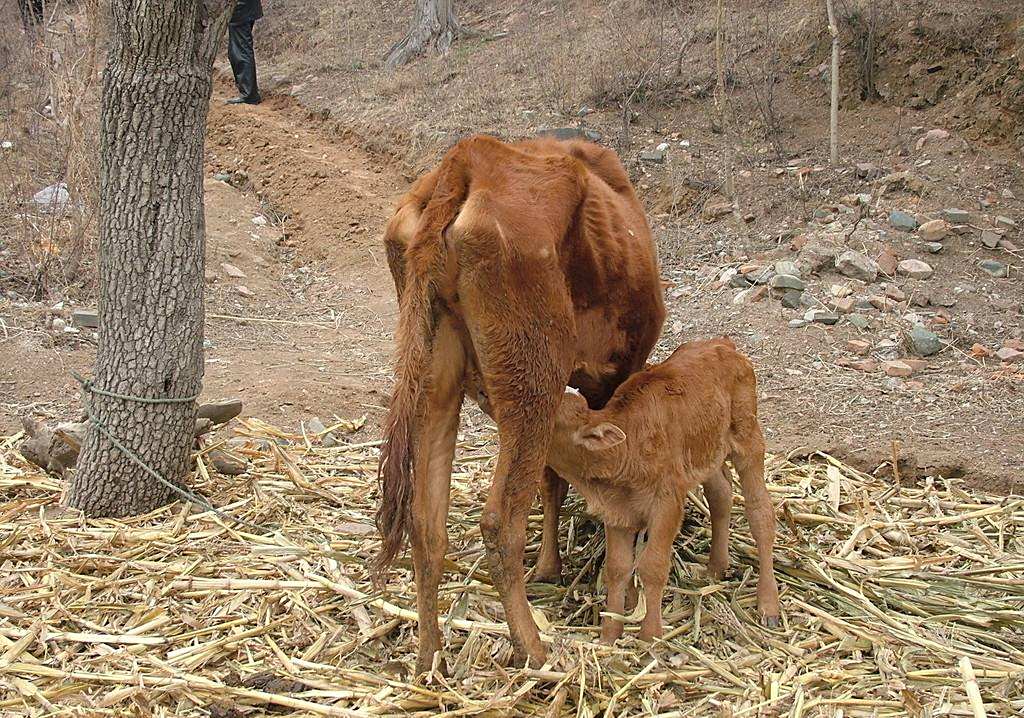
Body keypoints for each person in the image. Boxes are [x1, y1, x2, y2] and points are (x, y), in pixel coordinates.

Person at [226, 0, 262, 105]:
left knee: (240, 50)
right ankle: (249, 92)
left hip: (241, 8)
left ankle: (249, 95)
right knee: (239, 49)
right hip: (246, 7)